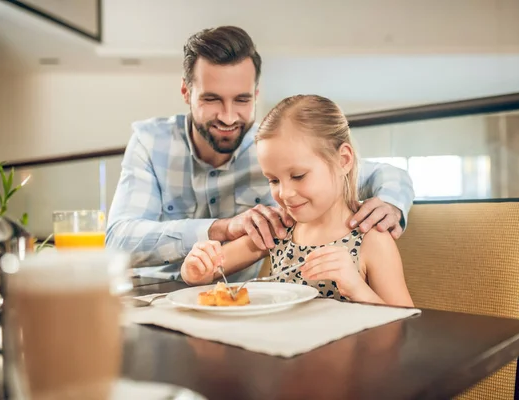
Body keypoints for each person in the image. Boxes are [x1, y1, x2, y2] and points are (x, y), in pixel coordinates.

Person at [106, 26, 415, 282]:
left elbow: (382, 173)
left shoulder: (274, 152)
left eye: (241, 100)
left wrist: (391, 203)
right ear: (187, 92)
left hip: (239, 307)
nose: (228, 117)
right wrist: (221, 228)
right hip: (151, 294)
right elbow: (118, 240)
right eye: (212, 99)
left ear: (255, 94)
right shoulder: (150, 141)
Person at [181, 94, 413, 307]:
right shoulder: (280, 228)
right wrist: (194, 269)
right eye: (273, 180)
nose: (285, 193)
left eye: (298, 176)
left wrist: (357, 288)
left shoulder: (371, 239)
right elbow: (211, 269)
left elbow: (406, 322)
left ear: (343, 160)